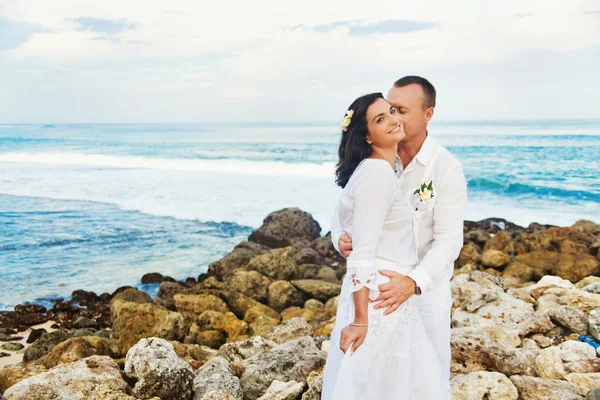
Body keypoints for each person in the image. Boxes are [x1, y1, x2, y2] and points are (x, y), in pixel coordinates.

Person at [331, 76, 467, 398]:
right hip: (379, 296)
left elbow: (449, 241)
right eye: (389, 110)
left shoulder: (445, 168)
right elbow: (342, 212)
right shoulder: (376, 164)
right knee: (373, 383)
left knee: (427, 380)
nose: (395, 118)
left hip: (425, 293)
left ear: (428, 114)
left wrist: (413, 281)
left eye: (401, 110)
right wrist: (340, 238)